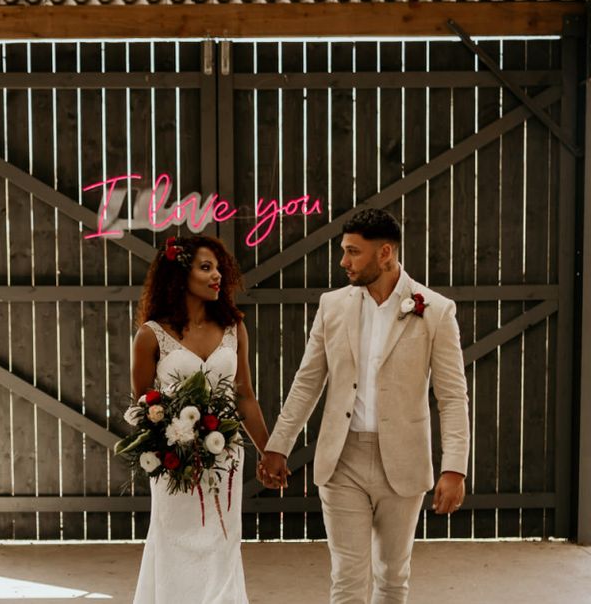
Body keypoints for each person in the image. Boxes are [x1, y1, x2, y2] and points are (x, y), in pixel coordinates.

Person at [259, 208, 470, 603]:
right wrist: (277, 445)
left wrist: (454, 467)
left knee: (392, 578)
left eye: (353, 252)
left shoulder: (436, 310)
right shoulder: (332, 306)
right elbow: (307, 382)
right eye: (344, 251)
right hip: (343, 459)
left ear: (385, 253)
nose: (344, 262)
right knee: (347, 580)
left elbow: (453, 396)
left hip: (404, 461)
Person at [131, 234, 270, 604]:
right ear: (180, 275)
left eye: (219, 269)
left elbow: (245, 396)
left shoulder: (234, 328)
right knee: (174, 545)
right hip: (174, 464)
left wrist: (270, 452)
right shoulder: (151, 336)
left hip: (225, 460)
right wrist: (171, 440)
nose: (217, 277)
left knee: (222, 547)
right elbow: (145, 408)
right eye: (206, 268)